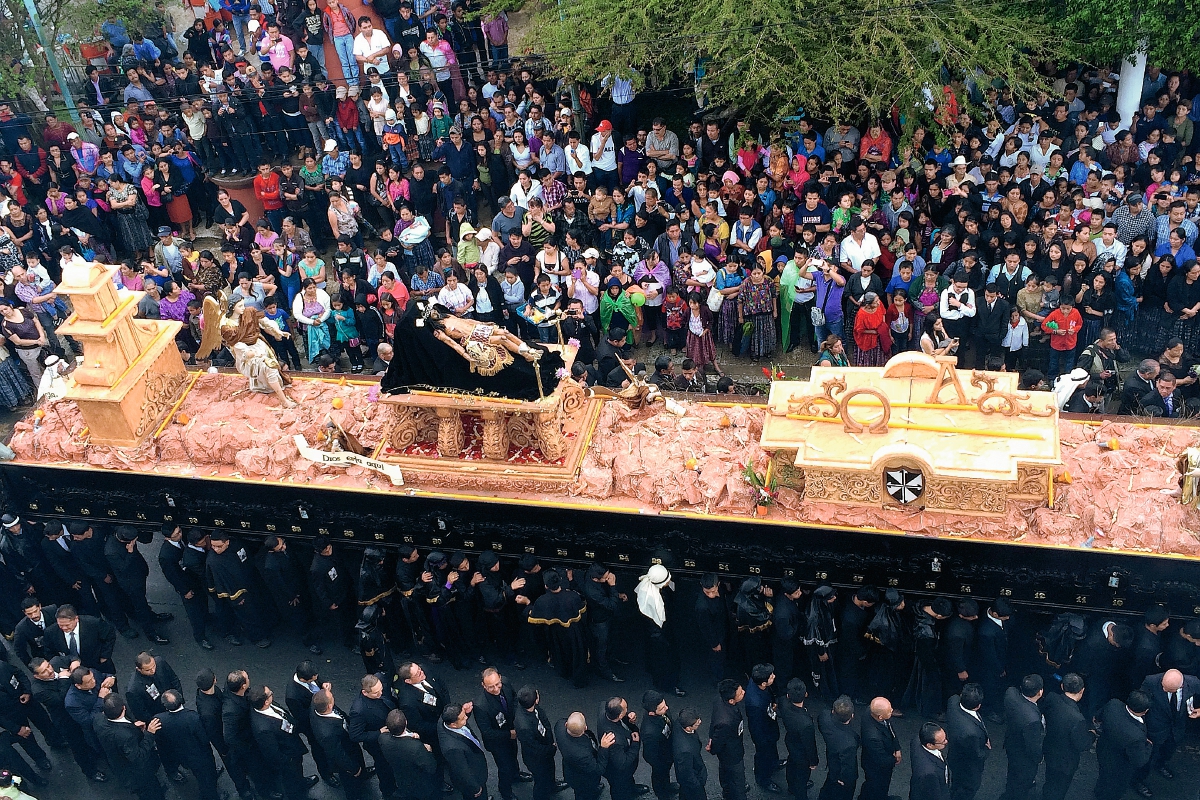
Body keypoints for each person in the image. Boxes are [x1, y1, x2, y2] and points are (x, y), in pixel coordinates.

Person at [250, 684, 318, 800]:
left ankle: (301, 782)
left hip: (292, 745)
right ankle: (298, 796)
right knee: (291, 780)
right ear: (265, 702)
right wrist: (289, 761)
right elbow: (273, 753)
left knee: (297, 771)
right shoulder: (263, 728)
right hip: (288, 757)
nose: (272, 693)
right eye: (270, 693)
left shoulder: (268, 705)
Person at [472, 668, 531, 800]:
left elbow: (514, 699)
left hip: (511, 731)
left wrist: (516, 718)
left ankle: (515, 774)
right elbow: (487, 733)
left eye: (497, 684)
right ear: (483, 685)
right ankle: (505, 792)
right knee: (504, 768)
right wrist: (509, 734)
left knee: (514, 754)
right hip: (497, 743)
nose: (496, 689)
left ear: (500, 677)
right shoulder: (481, 706)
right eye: (491, 687)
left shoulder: (505, 682)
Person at [94, 694, 165, 800]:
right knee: (151, 793)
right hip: (138, 774)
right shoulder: (126, 737)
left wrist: (133, 727)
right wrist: (149, 733)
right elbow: (138, 757)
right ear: (124, 708)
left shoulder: (98, 720)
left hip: (118, 763)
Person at [1138, 669, 1200, 789]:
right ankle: (1138, 780)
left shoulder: (1193, 683)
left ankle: (1160, 764)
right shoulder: (1151, 681)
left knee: (1168, 751)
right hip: (1156, 728)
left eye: (1169, 689)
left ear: (1181, 685)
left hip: (1177, 728)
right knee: (1148, 758)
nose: (1164, 690)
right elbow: (1141, 705)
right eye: (1163, 686)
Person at [153, 690, 220, 800]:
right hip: (199, 756)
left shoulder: (159, 719)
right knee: (206, 781)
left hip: (179, 755)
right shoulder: (193, 717)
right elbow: (204, 739)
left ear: (165, 706)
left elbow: (161, 740)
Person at [310, 688, 370, 800]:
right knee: (351, 782)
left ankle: (363, 774)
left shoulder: (316, 705)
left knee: (359, 760)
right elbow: (338, 755)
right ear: (329, 706)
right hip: (346, 754)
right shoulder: (327, 734)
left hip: (349, 743)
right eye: (332, 698)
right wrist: (353, 769)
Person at [1041, 673, 1092, 800]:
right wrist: (1092, 735)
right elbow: (1082, 744)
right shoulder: (1078, 719)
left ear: (1062, 686)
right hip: (1065, 761)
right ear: (1082, 691)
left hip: (1049, 749)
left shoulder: (1052, 697)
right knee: (1059, 789)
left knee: (1049, 781)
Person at [1095, 692, 1153, 800]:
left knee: (1103, 776)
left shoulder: (1113, 704)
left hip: (1103, 750)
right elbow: (1139, 761)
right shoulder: (1136, 736)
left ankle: (1099, 792)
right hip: (1120, 765)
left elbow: (1099, 716)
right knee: (1115, 788)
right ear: (1145, 711)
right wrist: (1149, 746)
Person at [1001, 675, 1044, 800]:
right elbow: (1033, 745)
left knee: (1012, 775)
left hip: (1011, 744)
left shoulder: (1010, 694)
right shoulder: (1032, 720)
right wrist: (1038, 758)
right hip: (1023, 757)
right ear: (1040, 692)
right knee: (1022, 783)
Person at [944, 684, 989, 800]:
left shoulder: (952, 701)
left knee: (956, 785)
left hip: (955, 755)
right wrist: (987, 749)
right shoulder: (971, 733)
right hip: (968, 767)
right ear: (978, 706)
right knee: (967, 790)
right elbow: (977, 754)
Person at [776, 679, 817, 800]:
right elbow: (810, 744)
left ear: (788, 695)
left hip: (790, 741)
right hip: (802, 751)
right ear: (805, 694)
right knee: (802, 776)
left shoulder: (783, 702)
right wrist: (813, 761)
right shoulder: (806, 724)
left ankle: (791, 786)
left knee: (792, 763)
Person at [43, 605, 116, 673]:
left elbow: (110, 635)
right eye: (60, 625)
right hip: (72, 671)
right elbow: (49, 652)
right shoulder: (50, 632)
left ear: (76, 619)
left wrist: (104, 656)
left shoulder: (93, 623)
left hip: (98, 665)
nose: (64, 628)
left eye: (67, 625)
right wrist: (61, 666)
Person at [744, 664, 782, 794]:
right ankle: (763, 779)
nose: (774, 677)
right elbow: (756, 727)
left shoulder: (757, 683)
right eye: (771, 676)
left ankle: (774, 763)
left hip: (769, 726)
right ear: (764, 683)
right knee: (763, 755)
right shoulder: (756, 704)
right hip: (763, 733)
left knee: (772, 747)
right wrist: (761, 742)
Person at [708, 679, 747, 800]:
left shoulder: (719, 701)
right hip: (732, 755)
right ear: (731, 700)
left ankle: (728, 793)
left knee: (726, 775)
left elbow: (713, 723)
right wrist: (713, 747)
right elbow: (719, 739)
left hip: (729, 751)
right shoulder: (726, 721)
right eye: (740, 693)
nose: (744, 692)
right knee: (737, 782)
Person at [816, 696, 858, 800]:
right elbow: (848, 765)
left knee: (829, 787)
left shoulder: (824, 716)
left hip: (832, 760)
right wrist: (844, 779)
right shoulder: (849, 743)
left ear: (833, 711)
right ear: (852, 716)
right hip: (839, 771)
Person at [858, 697, 900, 800]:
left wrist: (897, 748)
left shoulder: (872, 710)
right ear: (880, 717)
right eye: (889, 711)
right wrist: (894, 760)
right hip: (876, 766)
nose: (892, 710)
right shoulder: (873, 737)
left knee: (876, 785)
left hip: (876, 759)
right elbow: (882, 759)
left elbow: (890, 728)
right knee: (876, 786)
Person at [639, 690, 676, 800]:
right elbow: (649, 755)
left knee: (665, 774)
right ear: (651, 713)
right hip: (661, 759)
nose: (666, 708)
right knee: (659, 775)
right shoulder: (649, 732)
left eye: (665, 704)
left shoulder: (661, 712)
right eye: (662, 708)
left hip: (668, 752)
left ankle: (667, 786)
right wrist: (661, 764)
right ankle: (662, 794)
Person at [672, 707, 707, 800]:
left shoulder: (679, 724)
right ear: (688, 727)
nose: (699, 722)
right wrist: (698, 784)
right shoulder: (685, 750)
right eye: (696, 724)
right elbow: (687, 773)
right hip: (692, 781)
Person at [909, 723, 950, 800]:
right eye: (943, 741)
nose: (946, 741)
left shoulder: (917, 741)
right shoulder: (929, 773)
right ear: (930, 745)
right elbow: (933, 795)